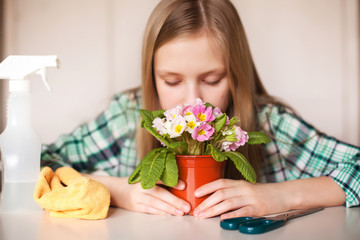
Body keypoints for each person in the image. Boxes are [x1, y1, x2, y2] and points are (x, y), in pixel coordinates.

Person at [41, 0, 360, 219]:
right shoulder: (128, 117)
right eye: (171, 81)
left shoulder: (269, 126)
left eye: (212, 79)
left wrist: (279, 196)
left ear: (236, 75)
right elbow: (39, 164)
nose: (192, 104)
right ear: (151, 78)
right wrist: (114, 189)